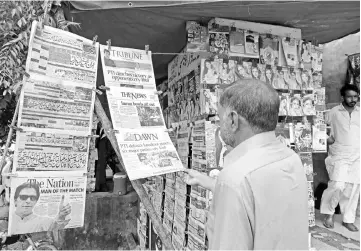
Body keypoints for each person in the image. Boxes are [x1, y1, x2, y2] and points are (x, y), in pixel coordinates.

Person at [184, 79, 308, 250]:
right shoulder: (291, 158)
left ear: (233, 120)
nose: (219, 125)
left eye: (220, 118)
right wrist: (209, 183)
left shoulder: (235, 178)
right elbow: (262, 200)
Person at [320, 84, 360, 232]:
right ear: (342, 97)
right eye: (350, 96)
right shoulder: (333, 112)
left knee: (353, 188)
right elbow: (317, 125)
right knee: (337, 185)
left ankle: (348, 219)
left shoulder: (360, 112)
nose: (353, 99)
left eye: (355, 96)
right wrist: (325, 138)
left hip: (357, 156)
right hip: (339, 154)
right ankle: (329, 214)